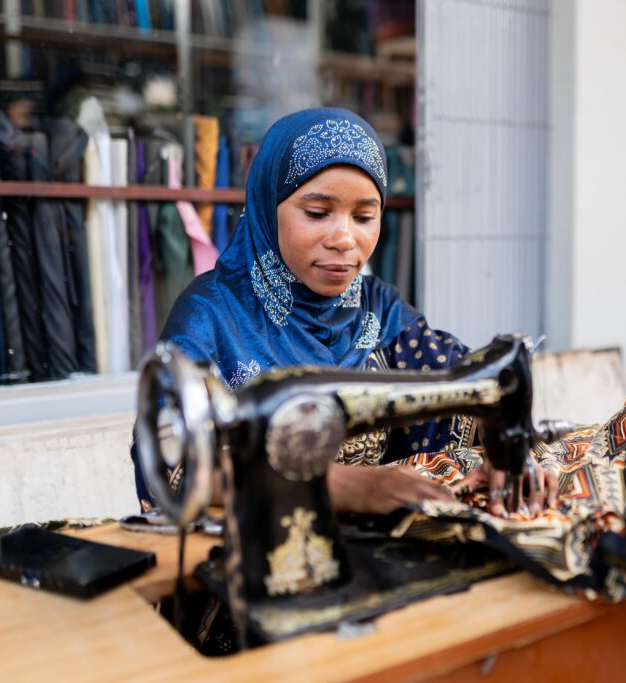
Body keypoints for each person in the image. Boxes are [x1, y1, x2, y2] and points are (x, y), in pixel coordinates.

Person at [132, 108, 557, 517]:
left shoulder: (379, 310)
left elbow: (468, 389)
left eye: (365, 216)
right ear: (267, 206)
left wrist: (514, 452)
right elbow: (172, 460)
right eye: (317, 213)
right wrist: (350, 487)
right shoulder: (211, 316)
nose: (344, 239)